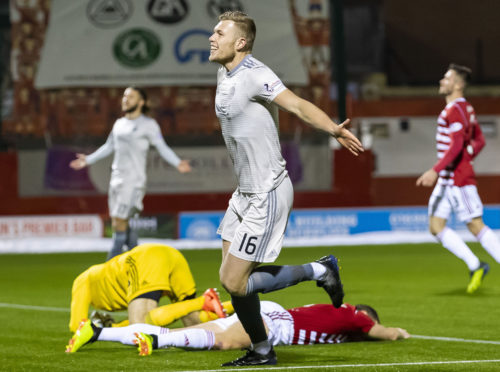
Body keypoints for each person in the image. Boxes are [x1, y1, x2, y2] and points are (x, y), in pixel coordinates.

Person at [207, 11, 364, 366]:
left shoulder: (255, 74)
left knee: (233, 281)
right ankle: (262, 350)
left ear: (241, 42)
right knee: (237, 283)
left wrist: (333, 129)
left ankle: (320, 270)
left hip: (268, 191)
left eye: (220, 32)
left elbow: (296, 104)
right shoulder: (223, 73)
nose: (212, 38)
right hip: (244, 193)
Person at [69, 87, 191, 260]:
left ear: (141, 102)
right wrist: (88, 160)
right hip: (116, 180)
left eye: (131, 96)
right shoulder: (119, 123)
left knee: (119, 222)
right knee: (121, 222)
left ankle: (110, 265)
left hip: (133, 181)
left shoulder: (149, 125)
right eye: (125, 96)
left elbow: (161, 147)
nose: (125, 99)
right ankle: (139, 262)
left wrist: (177, 162)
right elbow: (108, 146)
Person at [416, 63, 500, 294]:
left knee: (475, 225)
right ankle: (476, 265)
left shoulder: (456, 110)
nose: (442, 81)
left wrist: (436, 169)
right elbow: (478, 141)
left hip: (457, 179)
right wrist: (466, 155)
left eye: (447, 78)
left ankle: (479, 264)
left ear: (458, 84)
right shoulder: (464, 109)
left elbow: (456, 146)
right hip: (447, 179)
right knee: (436, 227)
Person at [64, 300, 409, 354]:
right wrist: (400, 332)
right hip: (277, 323)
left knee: (206, 332)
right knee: (226, 343)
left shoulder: (334, 315)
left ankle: (96, 332)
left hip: (271, 311)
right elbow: (385, 332)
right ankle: (160, 342)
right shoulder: (355, 316)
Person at [66, 243, 227, 349]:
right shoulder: (102, 273)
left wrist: (109, 328)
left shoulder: (82, 280)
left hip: (146, 258)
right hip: (172, 254)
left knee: (141, 327)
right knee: (194, 323)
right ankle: (237, 307)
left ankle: (203, 300)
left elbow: (77, 326)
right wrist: (115, 327)